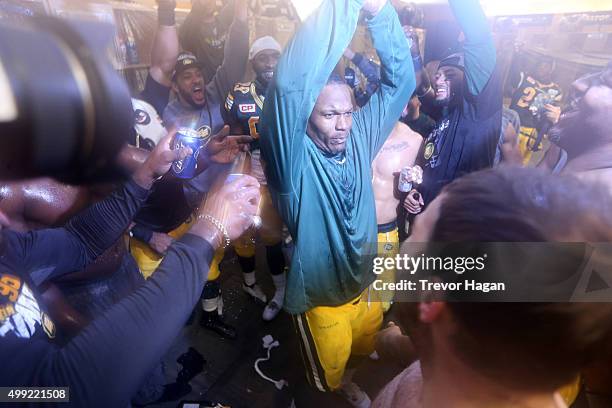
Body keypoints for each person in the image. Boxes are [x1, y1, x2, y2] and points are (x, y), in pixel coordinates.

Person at [0, 132, 262, 407]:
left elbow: (80, 240)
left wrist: (149, 173)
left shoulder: (7, 247)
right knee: (120, 384)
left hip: (119, 271)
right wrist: (209, 228)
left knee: (143, 360)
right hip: (59, 371)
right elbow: (64, 391)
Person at [259, 0, 414, 404]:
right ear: (306, 115)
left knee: (362, 348)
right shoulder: (291, 160)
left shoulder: (359, 134)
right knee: (324, 379)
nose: (343, 124)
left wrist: (379, 13)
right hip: (322, 303)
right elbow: (290, 86)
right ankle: (330, 390)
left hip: (366, 286)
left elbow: (401, 83)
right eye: (329, 115)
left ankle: (351, 377)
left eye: (348, 112)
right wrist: (345, 7)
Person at [372, 166, 612, 408]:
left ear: (430, 299)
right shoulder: (493, 360)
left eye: (415, 234)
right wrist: (389, 342)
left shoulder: (455, 352)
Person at [404, 0, 501, 216]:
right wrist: (417, 192)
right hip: (427, 219)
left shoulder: (478, 111)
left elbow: (478, 36)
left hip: (457, 228)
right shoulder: (445, 113)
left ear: (469, 82)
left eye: (450, 76)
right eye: (438, 75)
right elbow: (421, 84)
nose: (439, 80)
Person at [223, 36, 287, 320]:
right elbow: (232, 128)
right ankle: (250, 284)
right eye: (264, 57)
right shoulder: (239, 93)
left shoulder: (289, 89)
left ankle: (281, 290)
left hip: (280, 173)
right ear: (253, 62)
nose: (270, 63)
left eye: (275, 56)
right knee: (244, 233)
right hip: (249, 170)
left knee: (274, 235)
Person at [372, 122, 422, 311]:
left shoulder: (415, 140)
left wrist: (414, 192)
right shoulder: (353, 128)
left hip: (385, 230)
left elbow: (421, 183)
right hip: (350, 228)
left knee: (383, 301)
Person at [509, 58, 563, 165]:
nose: (542, 68)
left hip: (529, 131)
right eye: (540, 65)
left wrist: (542, 133)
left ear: (551, 70)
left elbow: (549, 116)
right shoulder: (525, 78)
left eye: (546, 66)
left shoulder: (556, 91)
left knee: (518, 165)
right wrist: (517, 54)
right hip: (512, 125)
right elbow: (514, 74)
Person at [179, 0, 235, 81]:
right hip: (206, 86)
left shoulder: (223, 19)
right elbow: (185, 36)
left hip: (226, 83)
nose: (208, 2)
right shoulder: (191, 28)